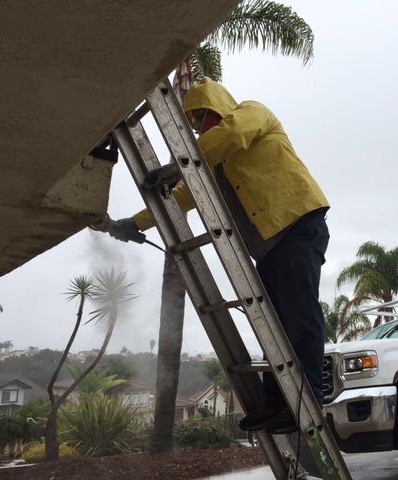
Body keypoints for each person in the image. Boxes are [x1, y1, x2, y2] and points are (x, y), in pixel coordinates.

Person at [104, 77, 330, 435]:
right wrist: (135, 222)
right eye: (194, 122)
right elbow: (183, 198)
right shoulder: (207, 162)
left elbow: (231, 134)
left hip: (297, 225)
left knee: (300, 316)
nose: (198, 127)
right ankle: (277, 401)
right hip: (267, 247)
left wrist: (177, 165)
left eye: (201, 116)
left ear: (218, 105)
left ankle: (310, 397)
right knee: (277, 327)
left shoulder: (251, 113)